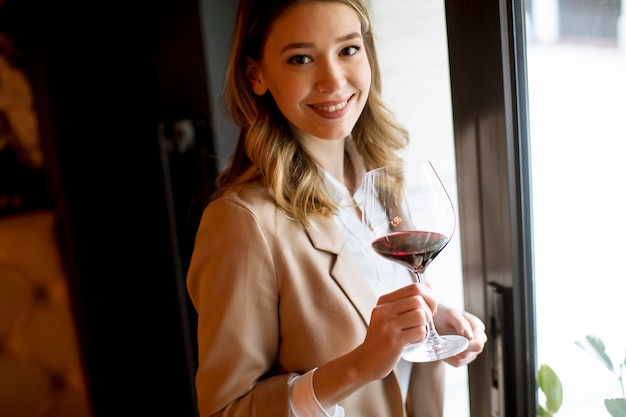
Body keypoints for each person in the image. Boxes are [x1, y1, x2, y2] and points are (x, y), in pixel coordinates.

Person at [185, 0, 487, 416]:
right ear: (256, 75)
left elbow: (371, 305)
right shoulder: (242, 222)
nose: (333, 80)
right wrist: (359, 366)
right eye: (301, 58)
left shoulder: (381, 179)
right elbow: (225, 410)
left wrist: (429, 322)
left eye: (348, 49)